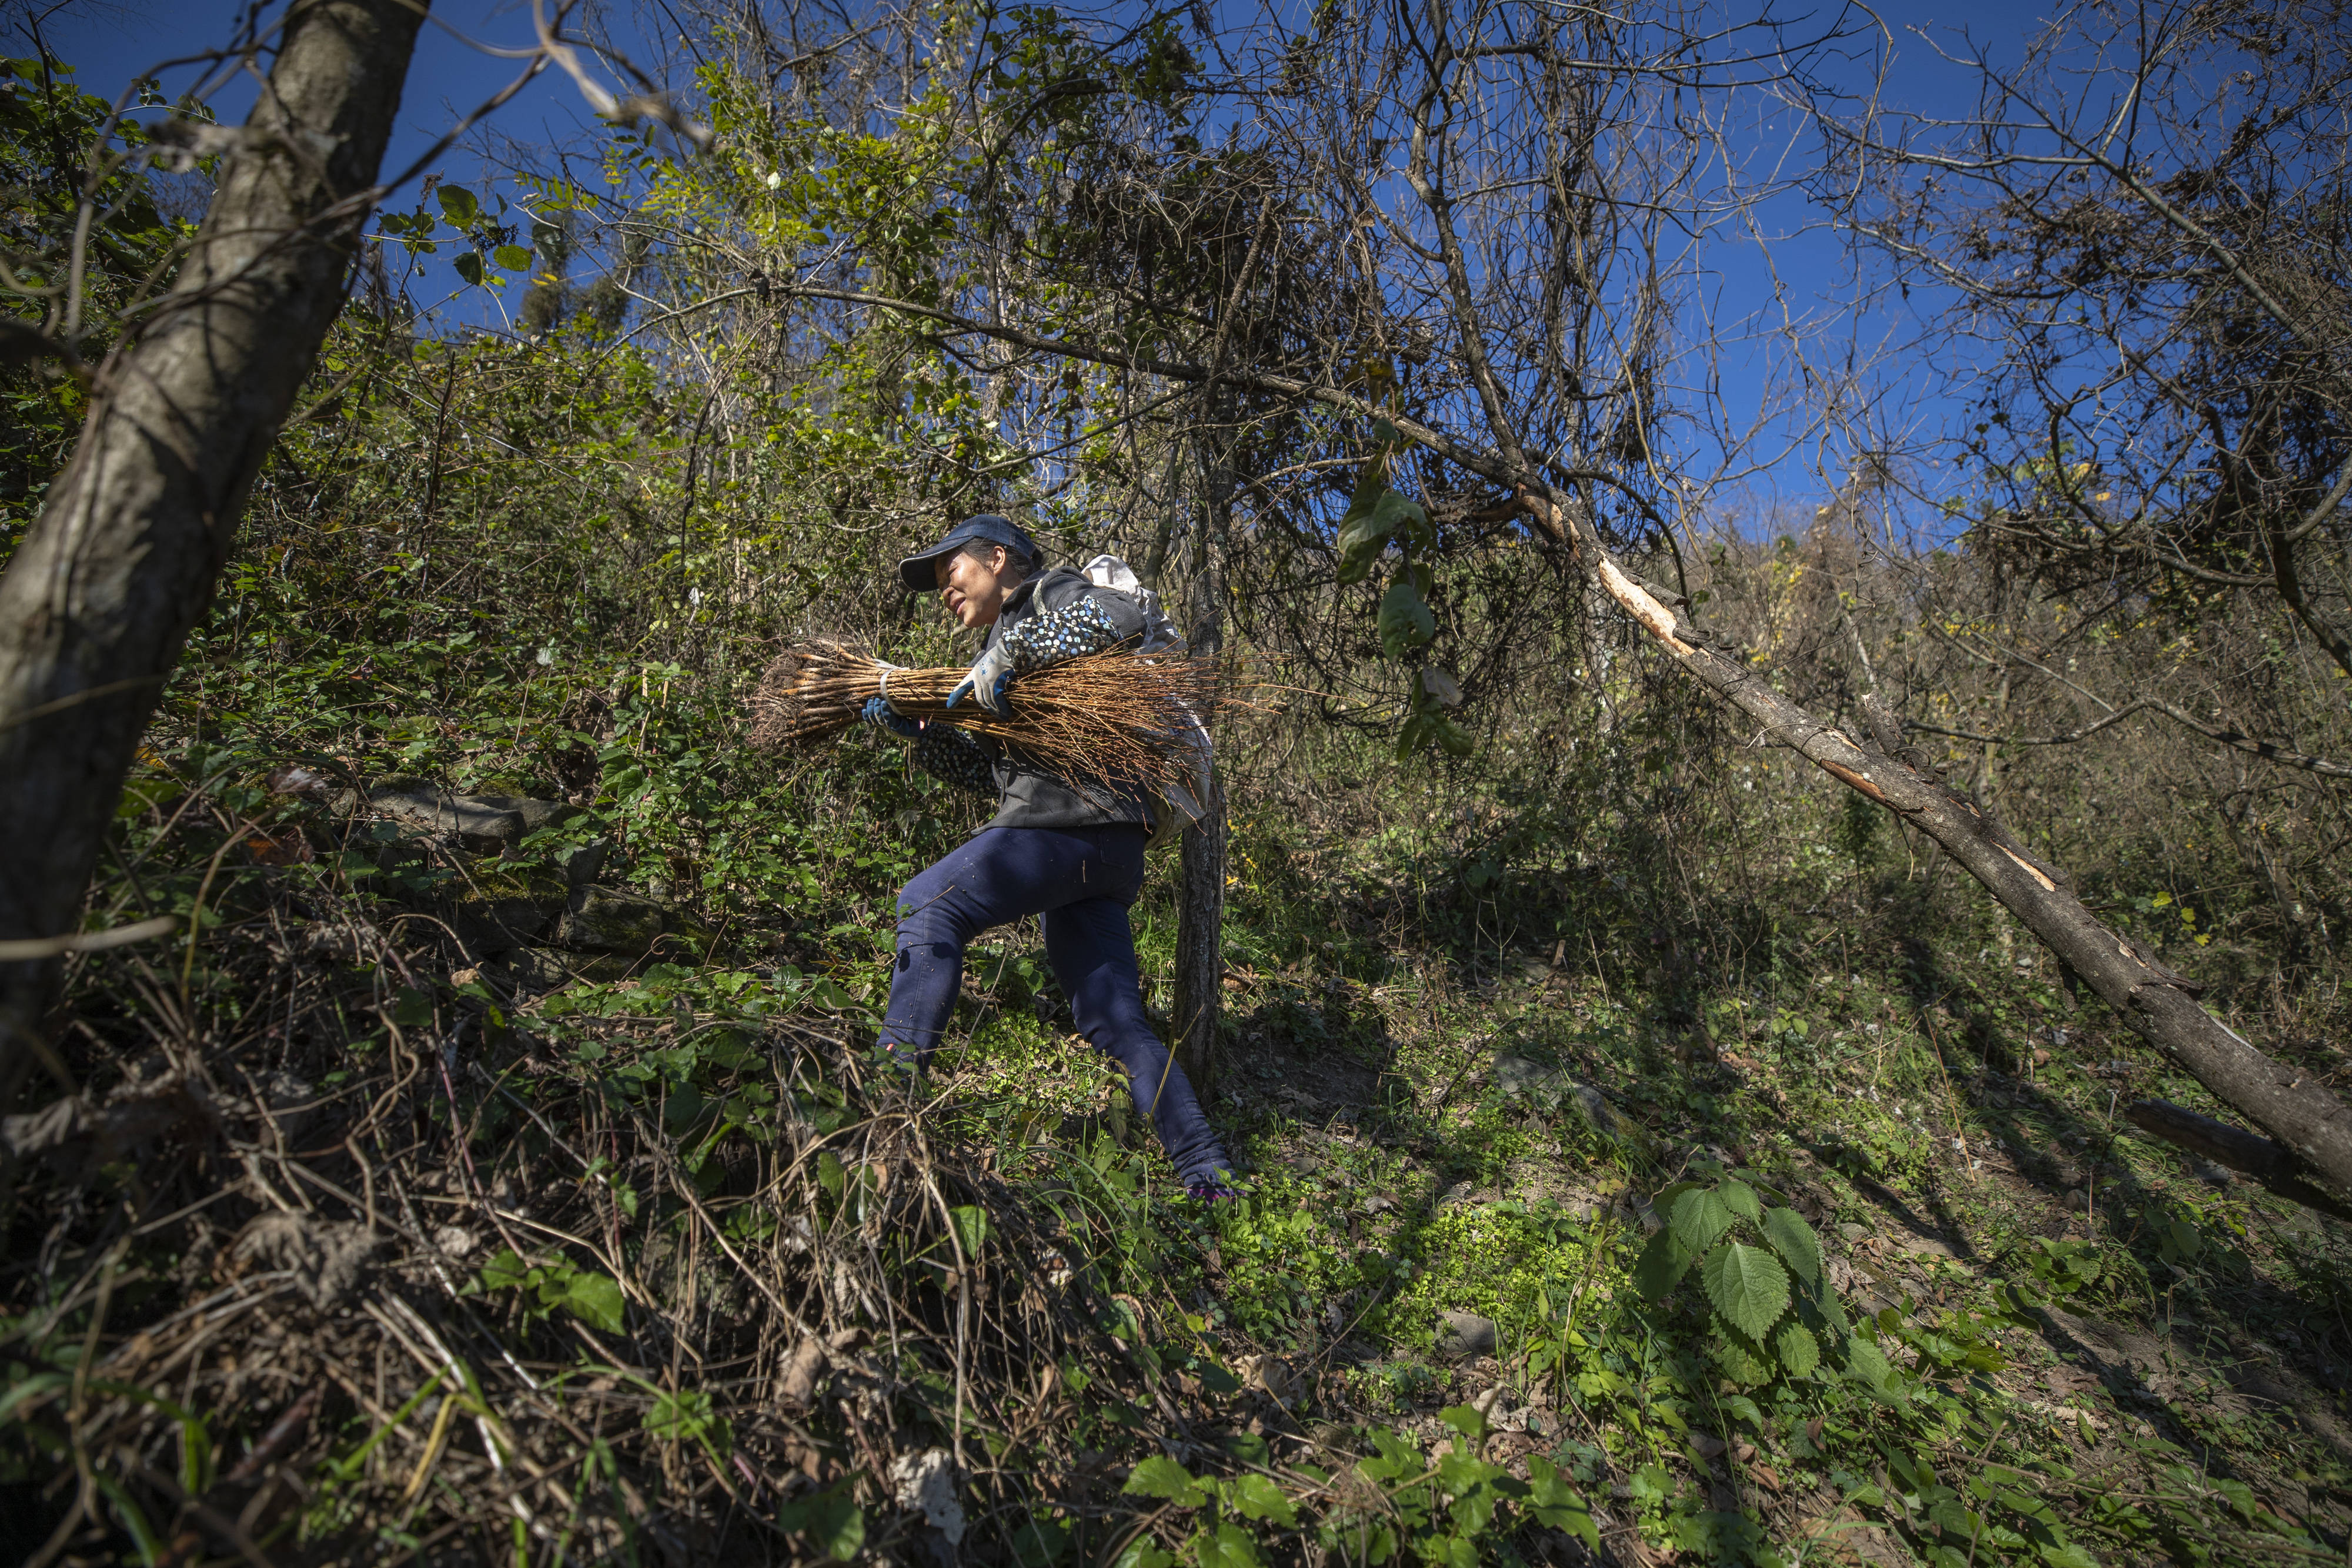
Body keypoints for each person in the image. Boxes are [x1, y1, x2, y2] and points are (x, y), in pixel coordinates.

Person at [860, 513, 1239, 1201]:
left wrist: (1015, 650)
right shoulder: (1010, 656)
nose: (946, 591)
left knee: (927, 906)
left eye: (952, 573)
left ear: (999, 559)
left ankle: (886, 1118)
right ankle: (1208, 1173)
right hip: (1103, 845)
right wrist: (920, 733)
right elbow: (1000, 780)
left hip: (1072, 824)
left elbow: (1119, 614)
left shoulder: (1047, 597)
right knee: (1115, 1021)